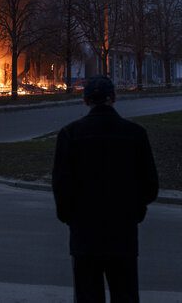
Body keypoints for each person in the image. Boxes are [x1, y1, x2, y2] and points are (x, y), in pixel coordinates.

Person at [51, 77, 158, 303]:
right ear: (114, 98)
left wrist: (69, 216)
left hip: (84, 232)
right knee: (125, 293)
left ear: (85, 100)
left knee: (87, 295)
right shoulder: (135, 134)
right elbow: (150, 185)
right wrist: (135, 211)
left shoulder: (70, 134)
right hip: (123, 231)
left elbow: (61, 184)